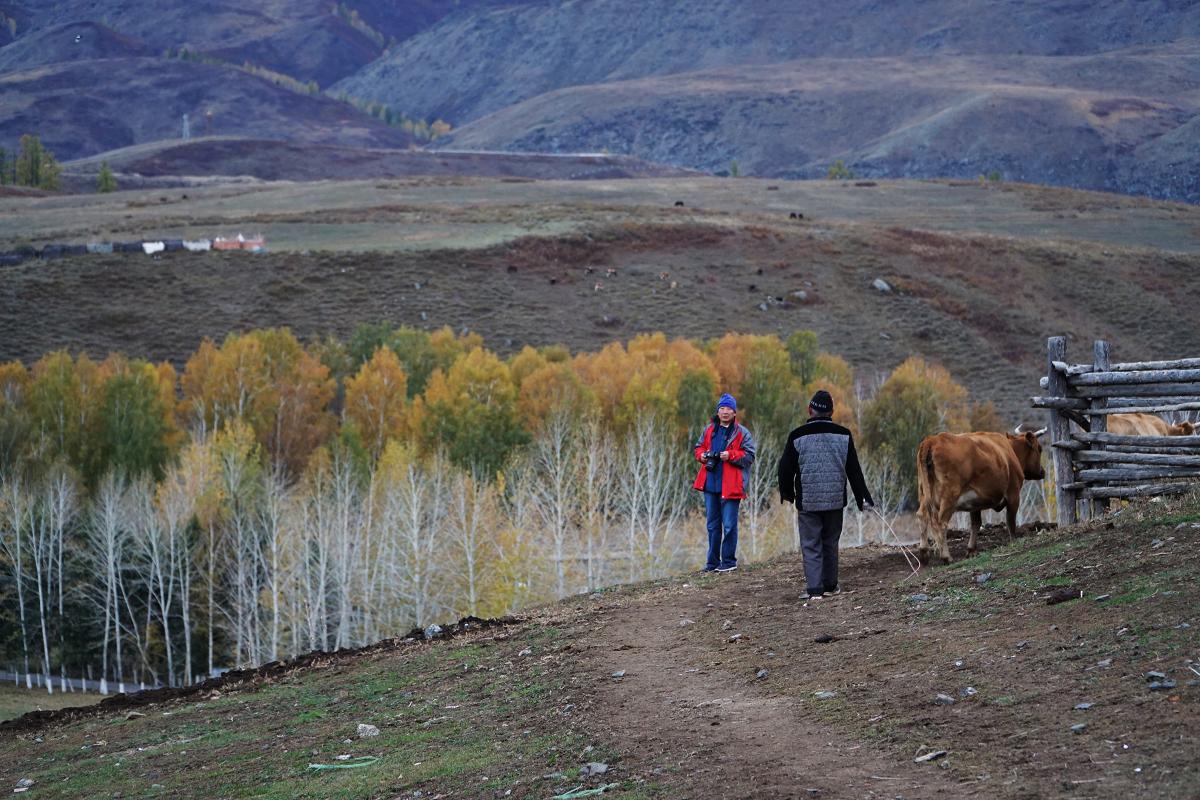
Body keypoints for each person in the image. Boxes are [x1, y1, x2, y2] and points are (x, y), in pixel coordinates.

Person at [777, 390, 873, 600]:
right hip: (835, 500)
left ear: (809, 410)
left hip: (808, 501)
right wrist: (862, 497)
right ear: (832, 411)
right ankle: (830, 585)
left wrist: (787, 493)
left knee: (811, 544)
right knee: (830, 542)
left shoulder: (797, 435)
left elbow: (785, 468)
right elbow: (854, 470)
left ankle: (814, 590)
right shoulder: (844, 435)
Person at [692, 393, 756, 573]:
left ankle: (728, 562)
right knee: (712, 526)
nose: (725, 412)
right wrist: (703, 456)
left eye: (729, 409)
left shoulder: (742, 433)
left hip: (731, 486)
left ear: (734, 412)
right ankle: (712, 563)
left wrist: (731, 456)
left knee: (729, 526)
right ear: (718, 411)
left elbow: (750, 456)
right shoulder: (709, 430)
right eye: (722, 408)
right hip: (710, 484)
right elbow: (698, 448)